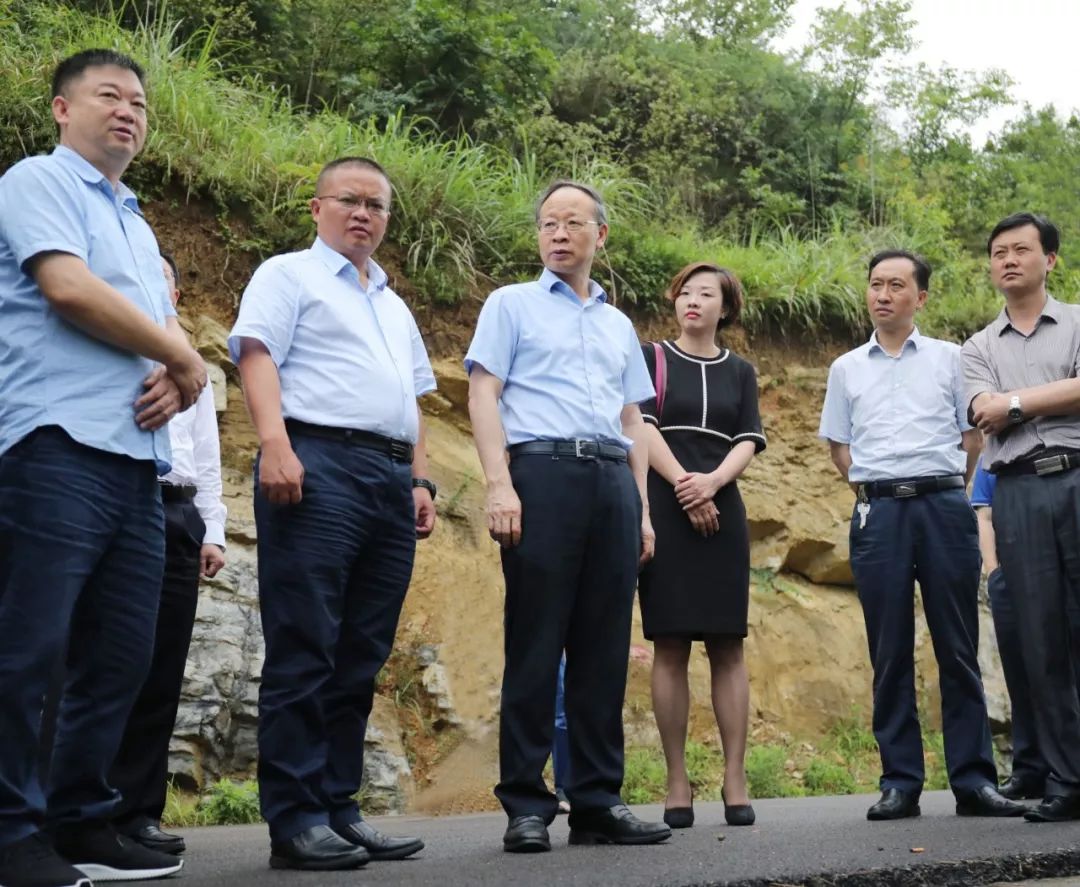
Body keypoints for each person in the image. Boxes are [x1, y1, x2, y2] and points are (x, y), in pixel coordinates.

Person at [0, 49, 206, 887]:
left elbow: (155, 348)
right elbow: (69, 290)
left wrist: (174, 376)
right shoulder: (35, 182)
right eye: (108, 96)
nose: (128, 111)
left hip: (137, 466)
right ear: (60, 108)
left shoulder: (136, 218)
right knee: (29, 651)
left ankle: (82, 820)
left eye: (139, 103)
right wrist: (183, 357)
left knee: (120, 655)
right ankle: (11, 833)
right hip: (55, 446)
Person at [229, 156, 435, 871]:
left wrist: (422, 480)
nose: (363, 214)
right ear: (317, 207)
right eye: (349, 199)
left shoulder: (393, 302)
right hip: (315, 463)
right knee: (306, 643)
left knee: (361, 653)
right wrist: (276, 444)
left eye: (377, 205)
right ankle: (295, 817)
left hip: (388, 477)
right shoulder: (288, 274)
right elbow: (257, 356)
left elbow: (413, 399)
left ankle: (340, 808)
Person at [465, 179, 670, 853]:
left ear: (599, 236)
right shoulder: (511, 304)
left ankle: (597, 799)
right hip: (541, 473)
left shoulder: (618, 324)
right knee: (535, 640)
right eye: (548, 223)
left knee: (604, 647)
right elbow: (484, 391)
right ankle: (527, 801)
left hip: (612, 479)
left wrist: (641, 508)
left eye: (573, 222)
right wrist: (500, 484)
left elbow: (633, 418)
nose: (558, 233)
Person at [819, 249, 1023, 822]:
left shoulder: (951, 359)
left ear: (921, 298)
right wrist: (876, 487)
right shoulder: (845, 368)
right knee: (888, 649)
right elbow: (840, 446)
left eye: (896, 286)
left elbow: (972, 438)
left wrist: (944, 487)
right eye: (875, 285)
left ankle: (974, 781)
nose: (883, 295)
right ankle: (900, 781)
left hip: (943, 506)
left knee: (956, 645)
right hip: (879, 513)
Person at [106, 253, 227, 856]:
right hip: (124, 498)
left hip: (179, 513)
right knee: (106, 663)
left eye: (164, 275)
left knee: (162, 668)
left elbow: (206, 454)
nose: (153, 282)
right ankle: (84, 810)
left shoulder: (190, 363)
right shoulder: (108, 344)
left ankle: (138, 814)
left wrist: (214, 529)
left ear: (176, 293)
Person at [638, 263, 765, 829]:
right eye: (684, 293)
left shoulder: (741, 371)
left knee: (727, 644)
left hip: (723, 505)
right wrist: (688, 488)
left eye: (705, 294)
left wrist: (712, 483)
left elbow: (749, 438)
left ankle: (734, 776)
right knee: (669, 644)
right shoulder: (650, 358)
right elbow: (639, 427)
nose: (692, 301)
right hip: (664, 506)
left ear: (726, 307)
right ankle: (676, 779)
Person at [963, 212, 1080, 823]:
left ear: (1050, 259)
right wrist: (1043, 397)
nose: (1008, 259)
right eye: (998, 251)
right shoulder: (977, 346)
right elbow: (981, 412)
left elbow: (1003, 407)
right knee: (1041, 639)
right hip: (1019, 490)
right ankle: (1067, 779)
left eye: (1021, 249)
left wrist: (1014, 404)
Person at [971, 462, 1080, 801]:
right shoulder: (1000, 452)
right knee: (1023, 673)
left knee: (1061, 667)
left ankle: (1064, 770)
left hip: (1059, 564)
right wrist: (994, 572)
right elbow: (984, 514)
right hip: (1012, 573)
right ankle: (1030, 769)